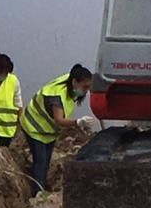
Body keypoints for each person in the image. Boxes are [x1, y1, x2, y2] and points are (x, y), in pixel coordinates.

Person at [22, 64, 96, 194]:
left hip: (48, 131)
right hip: (34, 127)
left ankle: (41, 186)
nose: (86, 91)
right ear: (74, 82)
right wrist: (77, 123)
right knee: (40, 161)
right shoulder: (56, 97)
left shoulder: (71, 83)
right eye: (85, 87)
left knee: (46, 161)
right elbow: (59, 120)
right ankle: (37, 193)